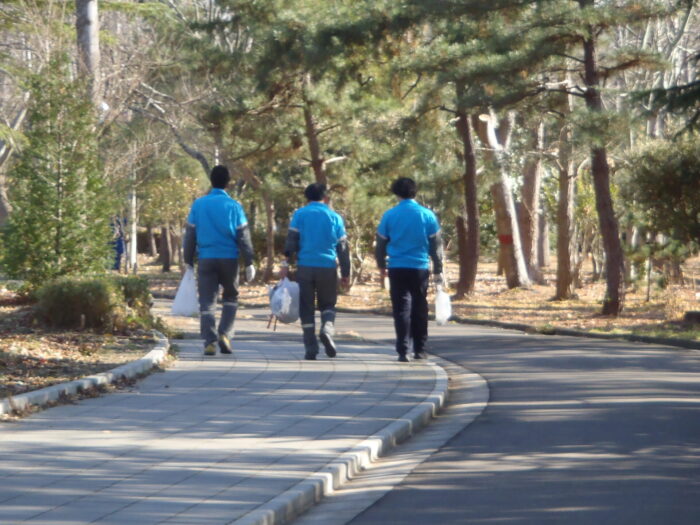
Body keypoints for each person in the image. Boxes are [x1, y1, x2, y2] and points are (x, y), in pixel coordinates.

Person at [183, 165, 256, 356]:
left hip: (206, 259)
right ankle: (225, 333)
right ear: (228, 183)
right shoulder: (234, 206)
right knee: (231, 297)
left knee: (207, 301)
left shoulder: (199, 205)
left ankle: (209, 341)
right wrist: (249, 261)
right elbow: (243, 236)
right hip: (229, 259)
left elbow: (190, 234)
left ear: (211, 180)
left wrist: (187, 259)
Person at [375, 177, 444, 362]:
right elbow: (436, 245)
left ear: (396, 192)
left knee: (401, 309)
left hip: (397, 267)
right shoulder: (427, 215)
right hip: (419, 267)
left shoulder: (389, 215)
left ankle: (403, 350)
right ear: (415, 192)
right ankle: (420, 349)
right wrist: (438, 268)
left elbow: (381, 243)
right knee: (420, 307)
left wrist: (381, 265)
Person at [281, 183, 351, 360]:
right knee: (328, 305)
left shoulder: (300, 214)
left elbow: (291, 241)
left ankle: (310, 348)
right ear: (325, 197)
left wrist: (285, 263)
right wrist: (345, 272)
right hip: (327, 267)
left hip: (305, 267)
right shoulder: (335, 217)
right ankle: (327, 328)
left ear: (307, 197)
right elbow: (343, 247)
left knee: (307, 307)